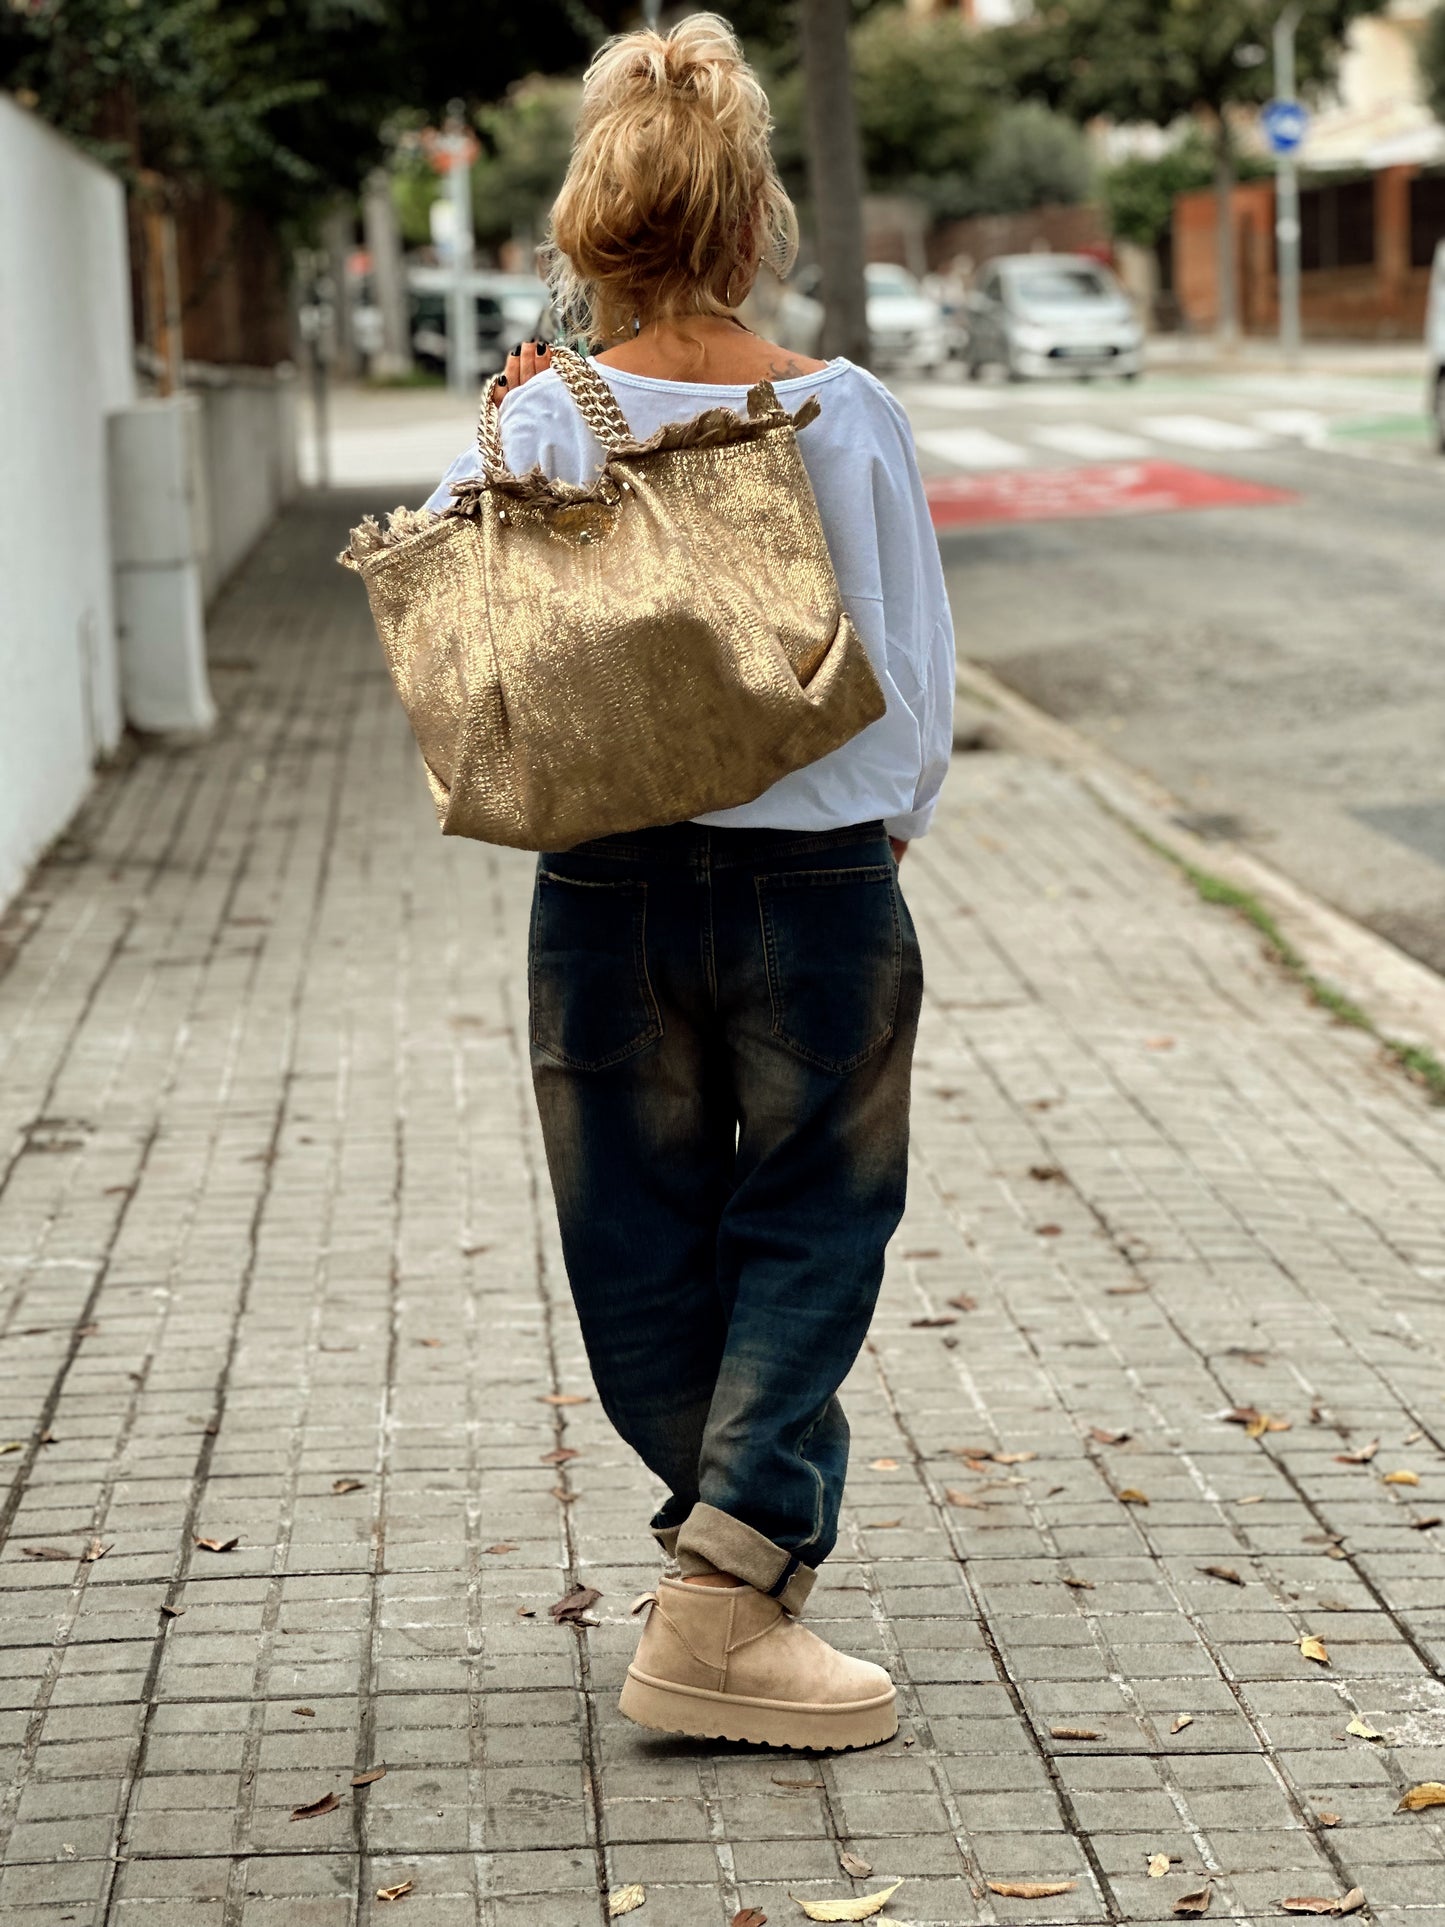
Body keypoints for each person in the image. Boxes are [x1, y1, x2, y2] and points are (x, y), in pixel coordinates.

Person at [426, 14, 953, 1753]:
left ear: (592, 231)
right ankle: (726, 1590)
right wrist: (877, 833)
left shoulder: (529, 420)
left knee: (634, 1230)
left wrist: (516, 455)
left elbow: (457, 660)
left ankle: (727, 1567)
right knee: (812, 1220)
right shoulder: (839, 411)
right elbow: (909, 672)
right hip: (815, 887)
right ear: (750, 227)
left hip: (597, 890)